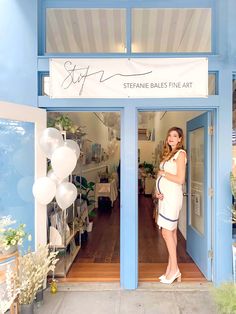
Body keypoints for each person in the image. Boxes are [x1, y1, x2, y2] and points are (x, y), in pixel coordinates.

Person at [155, 127, 187, 284]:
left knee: (166, 233)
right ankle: (170, 268)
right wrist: (157, 191)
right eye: (169, 135)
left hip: (173, 198)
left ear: (180, 139)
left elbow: (180, 179)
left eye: (175, 136)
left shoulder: (181, 154)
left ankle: (174, 269)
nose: (171, 138)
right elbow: (163, 179)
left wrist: (163, 174)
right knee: (171, 233)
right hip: (164, 198)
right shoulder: (169, 154)